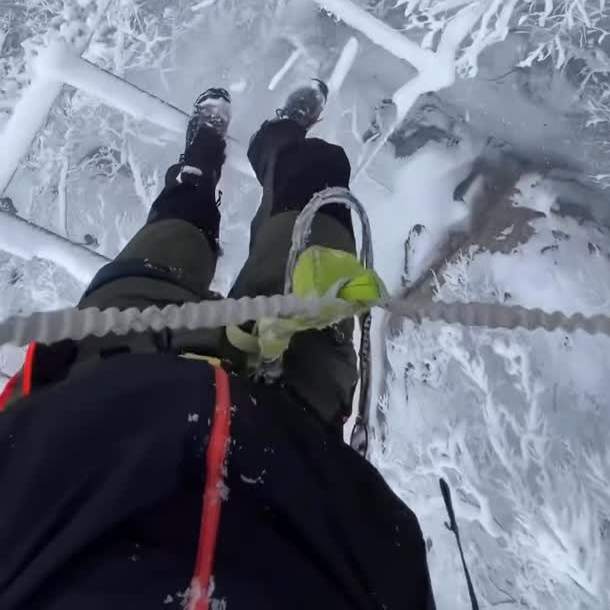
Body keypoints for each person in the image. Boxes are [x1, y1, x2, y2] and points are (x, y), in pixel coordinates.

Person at [0, 81, 436, 609]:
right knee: (319, 194)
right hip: (292, 426)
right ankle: (280, 141)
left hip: (111, 371)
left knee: (176, 229)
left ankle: (201, 158)